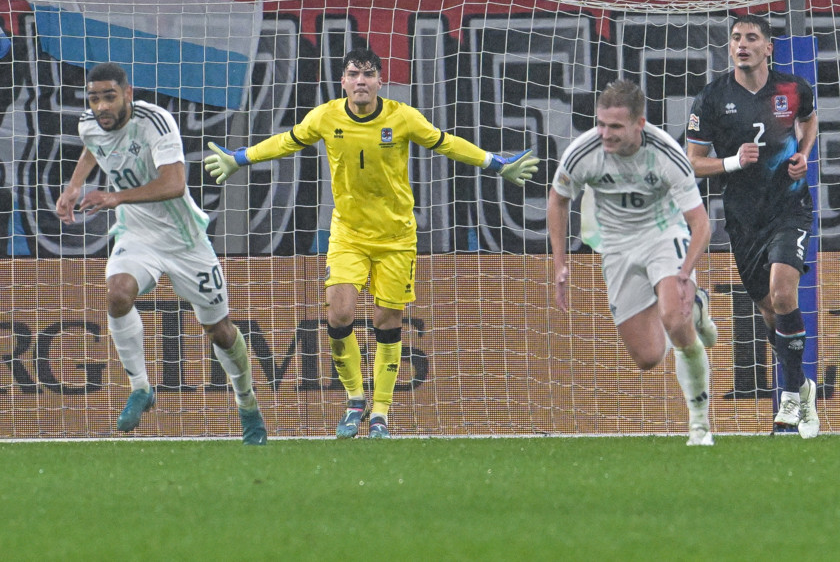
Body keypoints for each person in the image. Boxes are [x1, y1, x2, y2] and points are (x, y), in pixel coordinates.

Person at [204, 47, 538, 439]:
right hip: (347, 235)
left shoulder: (402, 117)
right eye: (353, 74)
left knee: (387, 322)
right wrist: (239, 158)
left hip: (397, 238)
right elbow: (285, 142)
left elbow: (446, 143)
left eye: (368, 74)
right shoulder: (326, 117)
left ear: (380, 81)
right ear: (343, 82)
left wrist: (497, 164)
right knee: (339, 314)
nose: (361, 81)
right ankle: (354, 400)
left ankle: (380, 412)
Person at [55, 62, 267, 445]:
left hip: (185, 241)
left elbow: (174, 182)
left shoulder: (156, 122)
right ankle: (141, 387)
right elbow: (93, 146)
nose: (101, 106)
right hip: (137, 234)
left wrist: (114, 196)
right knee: (118, 293)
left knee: (219, 332)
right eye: (94, 98)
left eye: (109, 97)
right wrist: (73, 187)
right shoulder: (89, 123)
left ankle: (247, 404)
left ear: (128, 94)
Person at [548, 79, 719, 446]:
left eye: (615, 127)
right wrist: (560, 264)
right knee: (647, 357)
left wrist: (685, 274)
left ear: (639, 124)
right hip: (617, 247)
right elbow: (558, 199)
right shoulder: (584, 152)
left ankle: (700, 424)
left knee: (675, 320)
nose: (605, 134)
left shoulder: (666, 154)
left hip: (663, 234)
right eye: (601, 124)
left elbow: (701, 224)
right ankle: (699, 310)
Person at [686, 14, 820, 439]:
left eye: (751, 38)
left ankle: (790, 401)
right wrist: (730, 161)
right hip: (743, 220)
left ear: (768, 48)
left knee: (784, 294)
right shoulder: (711, 98)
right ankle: (803, 388)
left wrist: (803, 152)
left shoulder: (792, 88)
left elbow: (809, 118)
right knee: (770, 311)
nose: (741, 44)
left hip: (789, 208)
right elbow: (691, 161)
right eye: (736, 38)